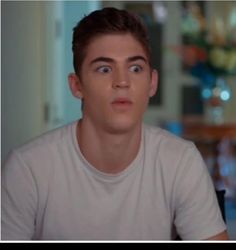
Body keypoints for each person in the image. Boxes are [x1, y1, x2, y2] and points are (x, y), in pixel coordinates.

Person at [1, 7, 228, 241]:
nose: (122, 81)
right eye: (104, 69)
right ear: (77, 86)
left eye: (135, 68)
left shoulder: (181, 161)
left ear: (152, 83)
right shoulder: (26, 170)